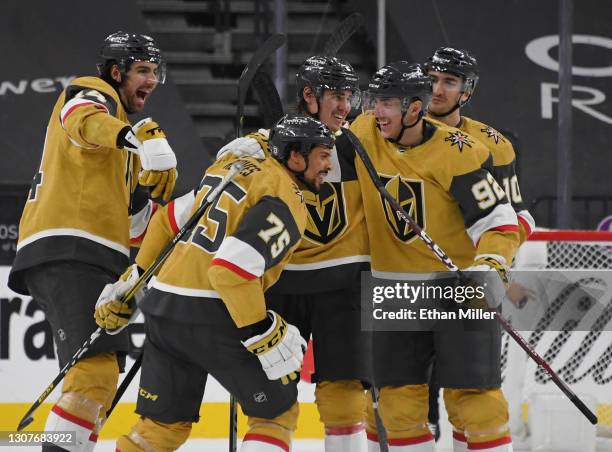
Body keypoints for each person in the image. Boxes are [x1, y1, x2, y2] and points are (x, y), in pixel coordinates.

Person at [94, 114, 336, 452]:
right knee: (276, 415)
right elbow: (230, 273)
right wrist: (262, 332)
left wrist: (135, 279)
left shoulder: (228, 172)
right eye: (323, 154)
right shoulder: (285, 197)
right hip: (213, 312)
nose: (329, 164)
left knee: (162, 428)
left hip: (164, 307)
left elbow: (165, 221)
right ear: (295, 156)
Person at [8, 31, 177, 451]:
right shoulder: (94, 92)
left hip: (96, 256)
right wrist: (136, 139)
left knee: (95, 380)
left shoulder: (122, 146)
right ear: (116, 71)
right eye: (142, 70)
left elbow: (137, 228)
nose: (151, 80)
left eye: (155, 71)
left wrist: (157, 196)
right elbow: (81, 120)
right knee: (95, 374)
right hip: (70, 246)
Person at [350, 62, 520, 452]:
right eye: (376, 101)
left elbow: (500, 221)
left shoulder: (460, 153)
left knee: (477, 406)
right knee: (396, 407)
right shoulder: (362, 133)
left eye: (388, 102)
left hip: (459, 291)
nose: (378, 111)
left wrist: (492, 264)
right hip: (392, 290)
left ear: (415, 108)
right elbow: (312, 148)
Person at [218, 55, 372, 451]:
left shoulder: (363, 141)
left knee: (346, 399)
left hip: (345, 285)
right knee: (272, 400)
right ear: (308, 95)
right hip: (283, 283)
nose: (345, 106)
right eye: (336, 95)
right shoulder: (269, 147)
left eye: (349, 96)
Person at [423, 46, 536, 448]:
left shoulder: (493, 145)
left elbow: (519, 219)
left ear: (466, 91)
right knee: (404, 400)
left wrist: (492, 266)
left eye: (448, 82)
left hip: (465, 285)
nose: (437, 89)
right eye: (432, 79)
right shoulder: (392, 134)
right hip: (402, 281)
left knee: (469, 398)